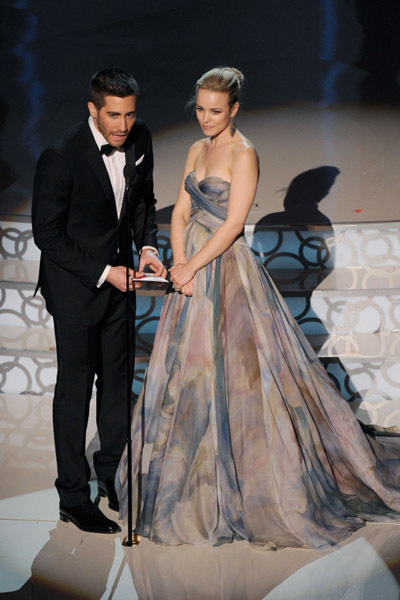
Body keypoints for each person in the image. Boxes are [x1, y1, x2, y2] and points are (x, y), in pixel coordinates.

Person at [116, 67, 400, 549]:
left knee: (240, 376)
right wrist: (177, 259)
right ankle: (189, 477)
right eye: (201, 109)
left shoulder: (244, 153)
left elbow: (232, 227)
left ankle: (247, 479)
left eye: (216, 111)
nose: (206, 119)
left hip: (225, 271)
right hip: (190, 273)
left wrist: (192, 267)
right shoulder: (195, 148)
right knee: (190, 373)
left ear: (234, 110)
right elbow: (183, 211)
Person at [32, 68, 167, 534]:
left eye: (130, 114)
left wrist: (148, 247)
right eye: (114, 115)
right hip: (76, 287)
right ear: (93, 109)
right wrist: (105, 272)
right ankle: (73, 493)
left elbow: (143, 201)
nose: (123, 126)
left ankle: (112, 472)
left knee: (116, 382)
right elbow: (46, 234)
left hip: (121, 282)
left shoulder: (141, 137)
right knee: (74, 392)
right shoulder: (61, 155)